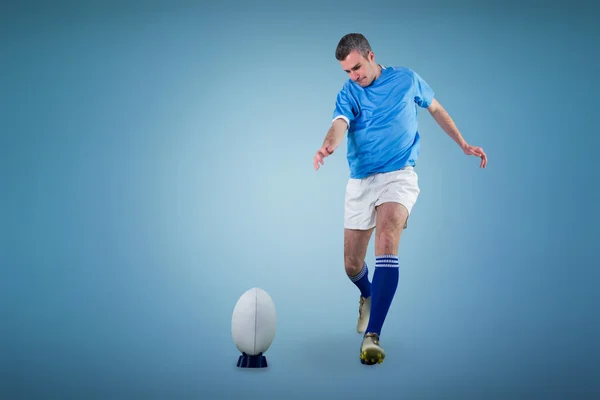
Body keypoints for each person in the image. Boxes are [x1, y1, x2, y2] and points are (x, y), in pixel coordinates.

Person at [313, 33, 487, 366]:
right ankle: (368, 293)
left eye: (357, 68)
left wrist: (462, 143)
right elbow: (339, 124)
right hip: (362, 180)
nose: (354, 76)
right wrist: (328, 144)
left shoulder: (406, 79)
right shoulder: (349, 92)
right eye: (347, 71)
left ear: (371, 55)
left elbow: (436, 109)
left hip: (399, 175)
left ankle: (372, 336)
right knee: (351, 264)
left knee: (388, 238)